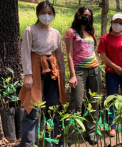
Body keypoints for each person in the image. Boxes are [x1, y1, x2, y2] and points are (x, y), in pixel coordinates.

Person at [18, 1, 67, 147]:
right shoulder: (30, 30)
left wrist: (62, 74)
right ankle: (28, 143)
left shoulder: (56, 33)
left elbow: (59, 54)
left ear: (54, 15)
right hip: (35, 69)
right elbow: (25, 52)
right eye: (43, 13)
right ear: (38, 14)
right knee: (33, 107)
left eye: (50, 13)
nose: (47, 16)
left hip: (52, 69)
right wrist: (28, 74)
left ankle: (49, 142)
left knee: (53, 107)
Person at [97, 14, 122, 137]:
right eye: (116, 22)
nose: (118, 24)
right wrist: (115, 67)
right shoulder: (105, 38)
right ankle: (112, 126)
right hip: (111, 73)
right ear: (111, 23)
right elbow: (103, 56)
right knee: (111, 99)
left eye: (120, 23)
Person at [64, 6, 101, 144]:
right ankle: (69, 136)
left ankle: (90, 132)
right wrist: (72, 75)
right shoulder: (71, 32)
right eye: (84, 14)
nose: (87, 17)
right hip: (78, 70)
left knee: (93, 102)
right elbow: (69, 54)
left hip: (94, 70)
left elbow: (92, 51)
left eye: (89, 16)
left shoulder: (91, 32)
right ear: (78, 15)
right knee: (76, 102)